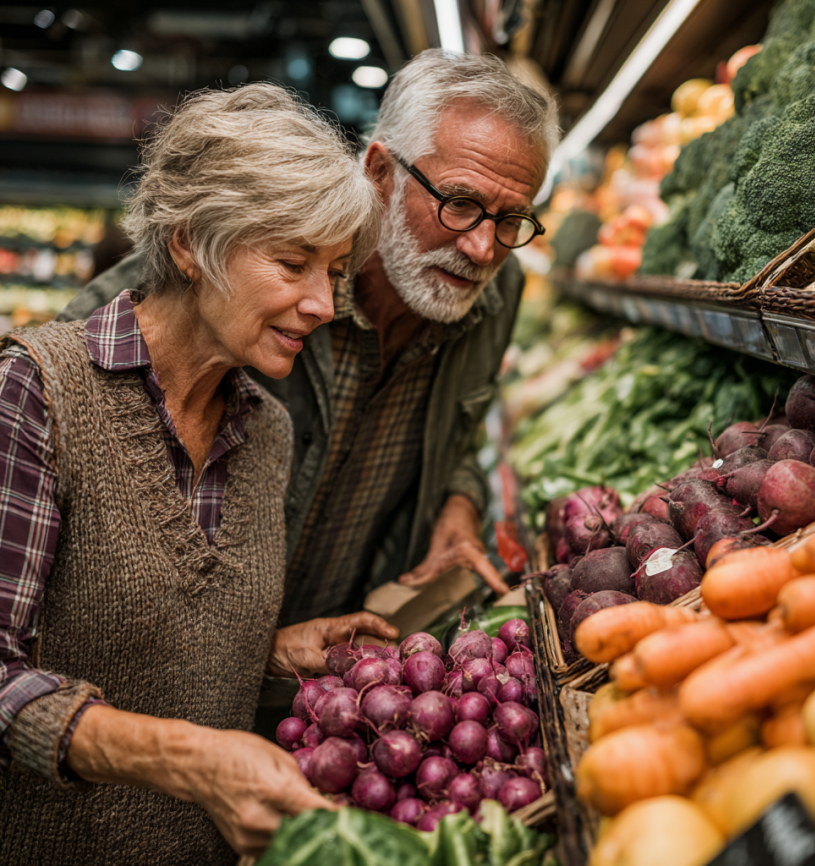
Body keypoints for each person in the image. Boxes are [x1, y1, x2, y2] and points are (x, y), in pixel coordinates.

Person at [0, 83, 397, 865]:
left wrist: (274, 650)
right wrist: (188, 760)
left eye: (337, 272)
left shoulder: (267, 430)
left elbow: (140, 642)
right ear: (189, 243)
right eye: (293, 263)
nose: (323, 303)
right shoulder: (38, 393)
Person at [60, 50, 558, 630]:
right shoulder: (237, 269)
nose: (483, 248)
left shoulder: (495, 295)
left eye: (510, 219)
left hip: (334, 667)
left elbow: (460, 430)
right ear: (379, 173)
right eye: (461, 204)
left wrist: (460, 502)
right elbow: (66, 389)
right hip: (165, 666)